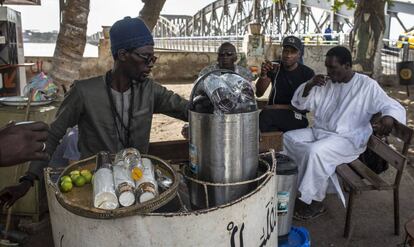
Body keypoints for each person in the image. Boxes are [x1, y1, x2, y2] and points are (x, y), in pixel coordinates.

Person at [0, 17, 189, 208]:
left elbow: (187, 110)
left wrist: (209, 102)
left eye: (153, 58)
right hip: (98, 187)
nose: (151, 64)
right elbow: (53, 135)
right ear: (122, 54)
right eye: (146, 57)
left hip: (139, 184)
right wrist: (27, 181)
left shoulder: (150, 90)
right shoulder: (84, 92)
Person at [283, 46, 406, 220]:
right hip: (321, 132)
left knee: (314, 152)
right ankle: (298, 187)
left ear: (347, 66)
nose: (329, 72)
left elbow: (391, 105)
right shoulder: (327, 82)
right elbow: (301, 104)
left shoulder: (366, 85)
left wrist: (388, 118)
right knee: (288, 139)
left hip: (347, 139)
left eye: (333, 67)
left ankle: (314, 201)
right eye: (327, 67)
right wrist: (310, 84)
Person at [256, 36, 315, 132]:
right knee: (264, 119)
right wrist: (263, 75)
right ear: (282, 52)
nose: (288, 55)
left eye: (293, 52)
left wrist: (276, 107)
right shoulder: (275, 66)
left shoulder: (307, 73)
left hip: (296, 115)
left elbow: (306, 107)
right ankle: (271, 145)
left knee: (266, 116)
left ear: (299, 54)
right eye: (286, 51)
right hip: (272, 113)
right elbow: (259, 93)